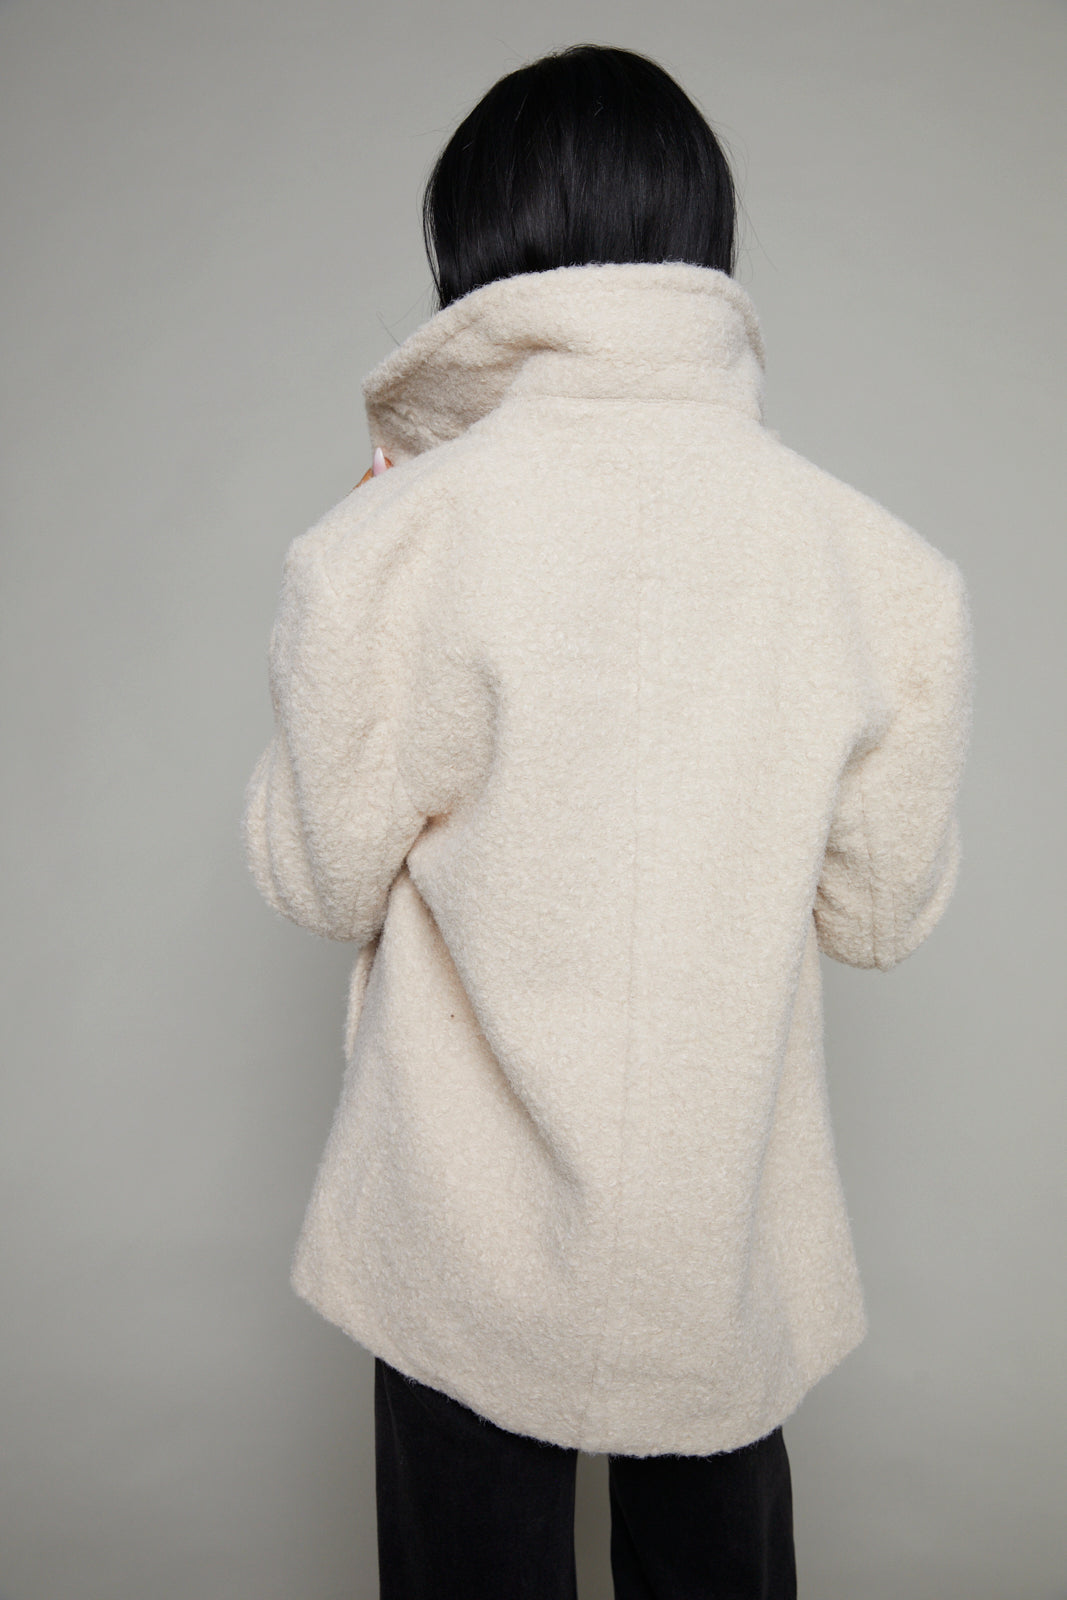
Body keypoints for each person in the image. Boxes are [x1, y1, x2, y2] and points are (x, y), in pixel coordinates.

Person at [242, 42, 973, 1600]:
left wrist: (361, 556)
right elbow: (879, 917)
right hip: (722, 1248)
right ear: (701, 236)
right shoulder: (877, 566)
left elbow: (317, 875)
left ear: (479, 254)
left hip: (454, 1245)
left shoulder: (392, 542)